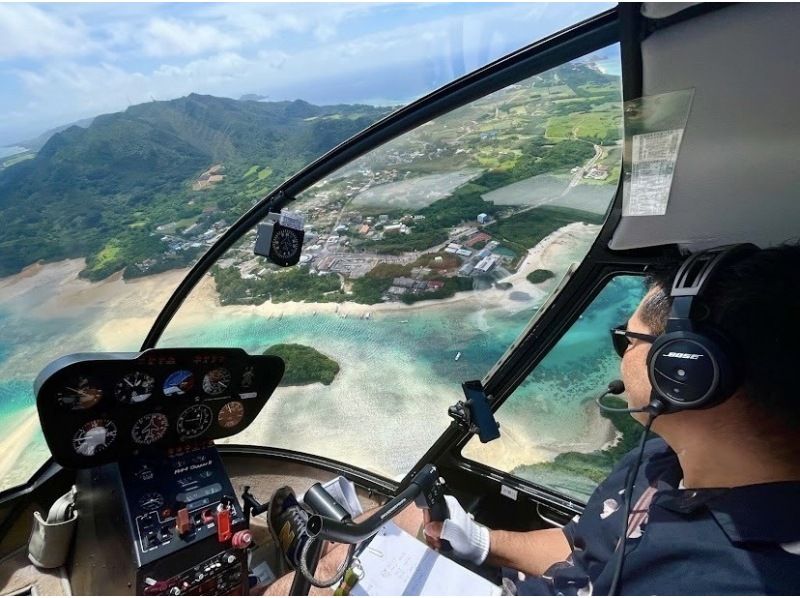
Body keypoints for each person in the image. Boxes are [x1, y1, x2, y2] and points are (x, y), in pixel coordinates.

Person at [266, 243, 800, 595]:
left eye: (628, 339)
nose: (620, 353)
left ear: (687, 369)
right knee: (385, 520)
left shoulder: (737, 579)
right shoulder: (667, 459)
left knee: (310, 581)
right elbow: (583, 546)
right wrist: (477, 539)